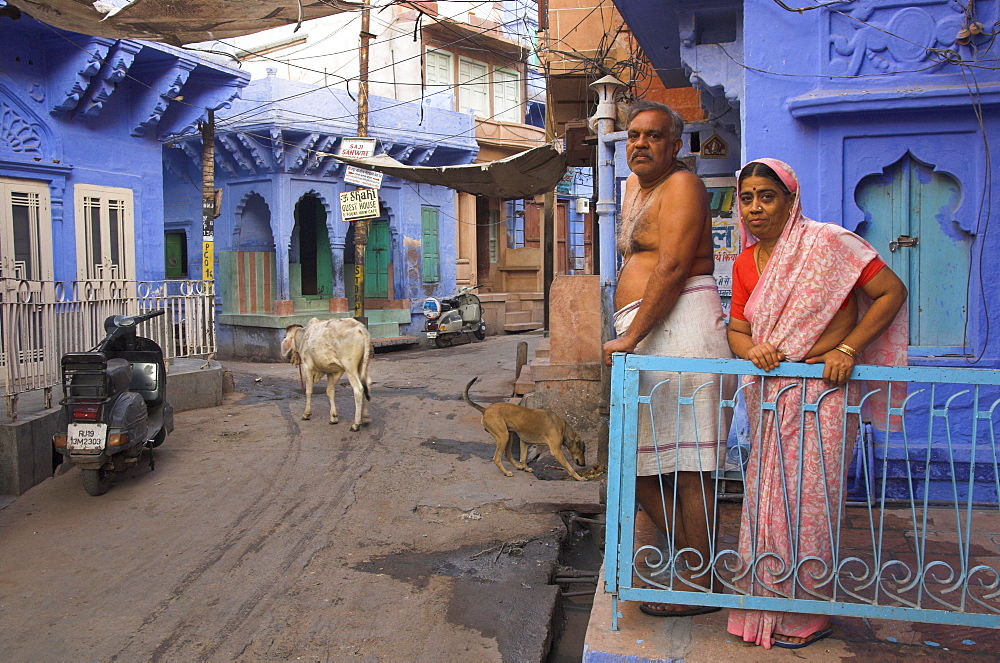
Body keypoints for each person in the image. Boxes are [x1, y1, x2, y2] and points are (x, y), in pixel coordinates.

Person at [726, 158, 908, 649]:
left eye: (768, 196)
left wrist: (848, 348)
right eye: (747, 198)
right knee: (765, 502)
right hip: (771, 395)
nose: (756, 208)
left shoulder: (829, 244)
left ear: (791, 200)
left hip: (824, 395)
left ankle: (807, 615)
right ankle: (759, 611)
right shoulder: (746, 263)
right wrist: (753, 350)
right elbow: (738, 330)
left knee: (809, 502)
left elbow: (891, 292)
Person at [602, 100, 733, 617]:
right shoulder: (636, 187)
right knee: (641, 465)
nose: (639, 143)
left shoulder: (683, 185)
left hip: (679, 329)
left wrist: (631, 336)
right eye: (633, 135)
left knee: (689, 465)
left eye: (653, 136)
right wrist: (630, 333)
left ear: (675, 145)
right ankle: (692, 566)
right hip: (646, 332)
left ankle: (700, 580)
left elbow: (674, 264)